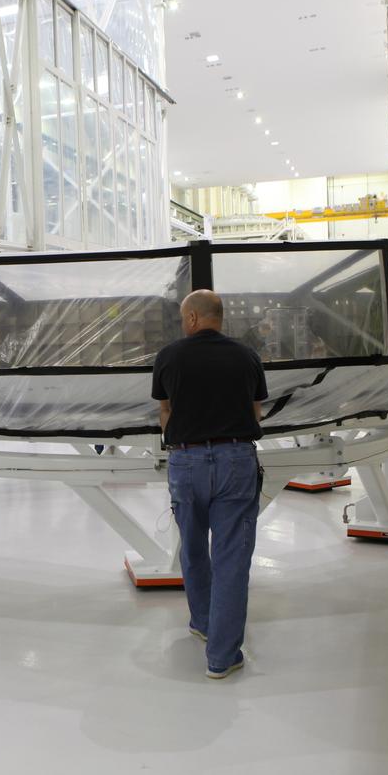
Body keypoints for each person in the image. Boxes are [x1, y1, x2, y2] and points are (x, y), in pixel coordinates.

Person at [152, 289, 267, 680]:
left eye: (185, 317)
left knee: (194, 548)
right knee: (232, 557)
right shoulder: (247, 356)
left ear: (195, 319)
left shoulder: (169, 356)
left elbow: (165, 412)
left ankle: (202, 621)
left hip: (186, 462)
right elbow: (256, 410)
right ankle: (222, 656)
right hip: (236, 460)